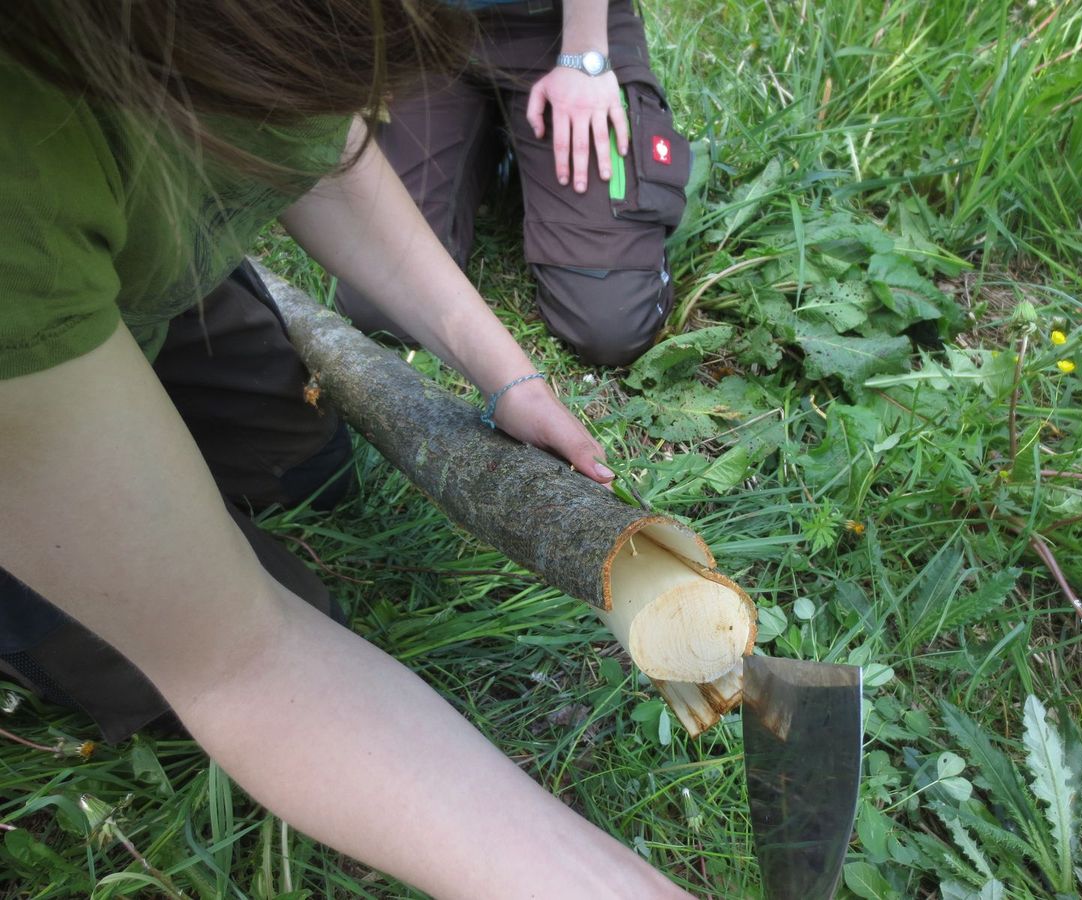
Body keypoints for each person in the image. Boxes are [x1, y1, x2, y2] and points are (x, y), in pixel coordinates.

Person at [0, 2, 690, 897]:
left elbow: (320, 144)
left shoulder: (262, 42)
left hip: (117, 248)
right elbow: (246, 662)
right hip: (35, 307)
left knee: (308, 472)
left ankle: (143, 281)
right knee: (232, 650)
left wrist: (506, 376)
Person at [333, 0, 692, 367]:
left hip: (555, 27)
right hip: (424, 29)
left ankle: (533, 155)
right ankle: (489, 144)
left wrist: (584, 57)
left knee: (611, 322)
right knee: (380, 307)